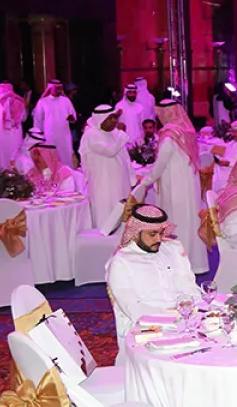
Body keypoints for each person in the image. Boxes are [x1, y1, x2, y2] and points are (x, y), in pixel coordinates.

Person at [106, 204, 202, 343]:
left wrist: (196, 311)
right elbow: (132, 308)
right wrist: (171, 318)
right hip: (146, 329)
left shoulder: (174, 248)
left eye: (161, 233)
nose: (158, 239)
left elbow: (190, 287)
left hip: (185, 321)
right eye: (152, 234)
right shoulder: (121, 261)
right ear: (136, 233)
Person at [142, 100, 210, 274]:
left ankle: (178, 263)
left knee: (177, 221)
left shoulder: (169, 136)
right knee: (189, 220)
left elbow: (160, 164)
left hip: (175, 186)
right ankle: (194, 262)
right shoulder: (186, 131)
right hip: (188, 184)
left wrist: (146, 181)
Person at [80, 106, 134, 229]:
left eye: (115, 117)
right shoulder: (91, 135)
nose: (115, 121)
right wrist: (121, 133)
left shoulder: (114, 133)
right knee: (105, 215)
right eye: (111, 118)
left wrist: (132, 180)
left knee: (122, 215)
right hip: (102, 185)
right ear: (101, 119)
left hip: (120, 183)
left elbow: (125, 158)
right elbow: (110, 151)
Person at [32, 80, 77, 166]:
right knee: (52, 159)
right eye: (57, 88)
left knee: (66, 158)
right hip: (50, 136)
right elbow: (38, 120)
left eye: (60, 88)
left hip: (64, 135)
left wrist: (71, 118)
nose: (59, 91)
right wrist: (38, 136)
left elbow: (73, 116)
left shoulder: (66, 101)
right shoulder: (43, 102)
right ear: (50, 89)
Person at [213, 119, 237, 191]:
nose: (232, 134)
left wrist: (229, 164)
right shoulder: (233, 142)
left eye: (234, 132)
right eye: (231, 132)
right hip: (226, 167)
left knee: (215, 175)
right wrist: (219, 160)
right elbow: (227, 155)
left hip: (236, 171)